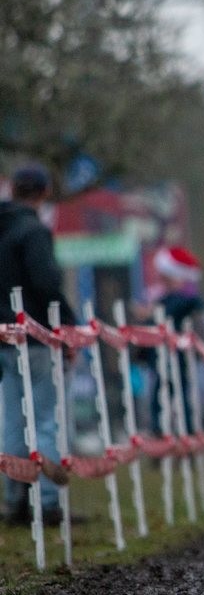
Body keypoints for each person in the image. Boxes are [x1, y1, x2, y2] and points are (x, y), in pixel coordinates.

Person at [0, 163, 77, 525]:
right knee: (45, 417)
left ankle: (14, 498)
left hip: (3, 337)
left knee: (13, 418)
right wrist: (69, 324)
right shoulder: (34, 231)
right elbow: (46, 283)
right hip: (34, 335)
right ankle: (46, 502)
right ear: (44, 193)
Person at [135, 245, 204, 437]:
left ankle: (183, 434)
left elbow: (163, 318)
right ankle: (163, 433)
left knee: (178, 399)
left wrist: (148, 314)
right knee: (161, 398)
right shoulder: (163, 297)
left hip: (177, 357)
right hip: (160, 357)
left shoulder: (185, 299)